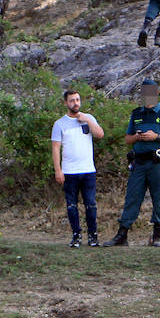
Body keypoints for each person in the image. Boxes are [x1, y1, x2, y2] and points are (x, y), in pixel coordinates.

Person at [102, 79, 160, 247]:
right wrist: (138, 137)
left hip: (158, 162)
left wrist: (156, 137)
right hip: (138, 162)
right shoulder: (136, 113)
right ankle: (122, 234)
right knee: (132, 196)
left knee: (158, 197)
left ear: (157, 93)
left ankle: (157, 235)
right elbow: (127, 138)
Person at [50, 89, 105, 248]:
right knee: (72, 205)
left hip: (88, 170)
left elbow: (100, 134)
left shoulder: (88, 118)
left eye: (77, 100)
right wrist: (58, 170)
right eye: (72, 100)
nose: (76, 103)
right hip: (70, 171)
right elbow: (55, 149)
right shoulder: (59, 124)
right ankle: (76, 236)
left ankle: (93, 236)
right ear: (66, 103)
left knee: (91, 204)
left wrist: (87, 120)